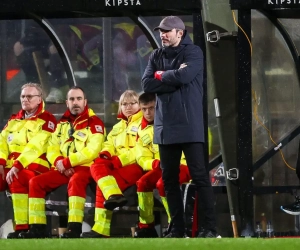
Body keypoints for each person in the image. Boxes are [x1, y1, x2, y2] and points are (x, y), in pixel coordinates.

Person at [141, 16, 218, 238]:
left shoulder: (193, 52)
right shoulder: (156, 55)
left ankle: (209, 229)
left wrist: (162, 76)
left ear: (180, 33)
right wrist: (169, 78)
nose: (162, 34)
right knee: (169, 181)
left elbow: (185, 77)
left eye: (167, 31)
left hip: (190, 126)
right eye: (161, 31)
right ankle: (177, 229)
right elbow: (147, 84)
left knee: (200, 177)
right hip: (165, 128)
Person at [19, 86, 106, 239]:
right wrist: (60, 162)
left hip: (85, 168)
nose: (75, 102)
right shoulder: (61, 124)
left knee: (76, 180)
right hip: (62, 168)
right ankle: (37, 228)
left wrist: (67, 162)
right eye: (72, 99)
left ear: (85, 102)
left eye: (79, 99)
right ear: (67, 103)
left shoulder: (94, 122)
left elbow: (92, 150)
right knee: (35, 182)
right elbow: (51, 147)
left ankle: (74, 228)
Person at [81, 90, 144, 238]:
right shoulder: (118, 126)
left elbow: (140, 151)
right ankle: (114, 195)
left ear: (139, 105)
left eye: (133, 103)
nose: (128, 107)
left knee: (104, 182)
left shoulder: (144, 123)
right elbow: (109, 144)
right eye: (124, 104)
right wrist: (105, 154)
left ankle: (101, 229)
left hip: (135, 165)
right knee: (97, 166)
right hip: (117, 164)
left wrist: (118, 160)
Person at [0, 83, 57, 238]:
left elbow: (36, 146)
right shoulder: (14, 120)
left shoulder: (47, 120)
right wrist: (1, 161)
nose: (25, 99)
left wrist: (18, 165)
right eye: (23, 96)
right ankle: (21, 227)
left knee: (17, 177)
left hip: (35, 165)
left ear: (39, 100)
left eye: (29, 96)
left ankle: (22, 227)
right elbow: (2, 142)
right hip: (11, 166)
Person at [134, 92, 191, 238]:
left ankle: (174, 223)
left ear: (158, 105)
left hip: (182, 164)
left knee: (162, 183)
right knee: (142, 183)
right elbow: (141, 156)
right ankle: (146, 227)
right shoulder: (141, 129)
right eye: (144, 109)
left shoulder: (171, 121)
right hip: (161, 166)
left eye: (151, 108)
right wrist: (154, 163)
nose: (148, 112)